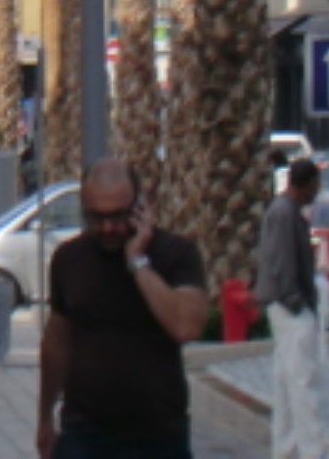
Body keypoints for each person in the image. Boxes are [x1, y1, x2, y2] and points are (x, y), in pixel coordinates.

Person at [36, 159, 209, 459]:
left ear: (140, 205)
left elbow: (185, 325)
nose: (108, 228)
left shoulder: (175, 254)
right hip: (84, 434)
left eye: (118, 216)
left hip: (157, 436)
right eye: (97, 217)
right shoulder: (69, 258)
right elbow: (56, 344)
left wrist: (138, 263)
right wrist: (44, 416)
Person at [255, 159, 324, 459]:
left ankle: (285, 449)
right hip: (289, 307)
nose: (317, 193)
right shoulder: (284, 214)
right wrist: (298, 304)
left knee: (285, 382)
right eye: (315, 186)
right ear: (305, 184)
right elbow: (283, 263)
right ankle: (312, 451)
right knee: (303, 381)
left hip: (280, 304)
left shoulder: (284, 211)